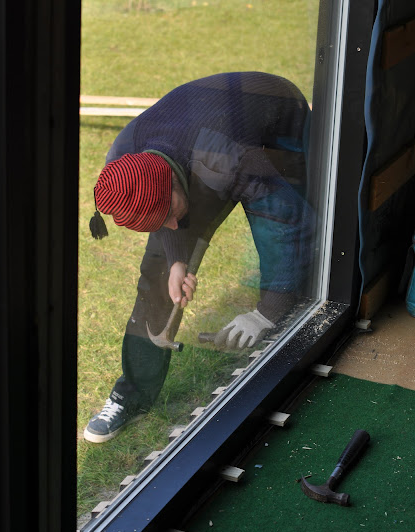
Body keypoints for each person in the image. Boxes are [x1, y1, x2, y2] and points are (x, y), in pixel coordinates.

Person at [84, 71, 314, 443]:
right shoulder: (125, 165)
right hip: (198, 141)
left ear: (174, 180)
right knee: (158, 273)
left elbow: (287, 222)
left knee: (302, 220)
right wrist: (177, 259)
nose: (174, 226)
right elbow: (168, 222)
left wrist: (267, 312)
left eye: (169, 212)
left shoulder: (229, 156)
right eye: (160, 221)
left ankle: (291, 320)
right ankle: (132, 395)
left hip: (277, 117)